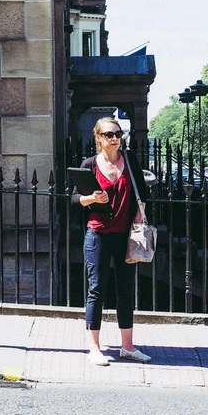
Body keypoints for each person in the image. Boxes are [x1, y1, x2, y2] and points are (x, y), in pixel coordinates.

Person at [72, 117, 152, 366]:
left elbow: (143, 193)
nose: (115, 138)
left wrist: (139, 215)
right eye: (109, 134)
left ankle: (127, 347)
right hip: (97, 235)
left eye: (118, 133)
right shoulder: (89, 165)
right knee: (97, 290)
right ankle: (94, 348)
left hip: (125, 235)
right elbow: (74, 200)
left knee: (126, 291)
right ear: (98, 138)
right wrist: (91, 199)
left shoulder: (129, 161)